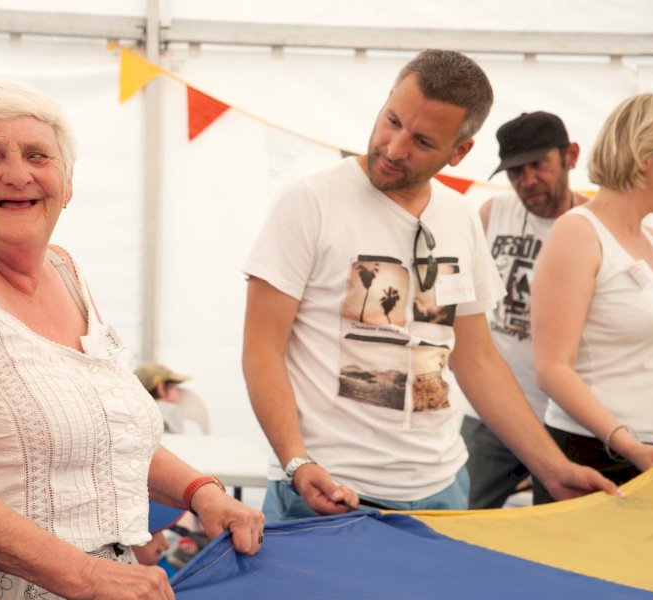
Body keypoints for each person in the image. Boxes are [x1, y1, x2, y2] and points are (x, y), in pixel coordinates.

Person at [0, 80, 264, 600]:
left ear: (68, 181)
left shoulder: (64, 268)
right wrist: (88, 575)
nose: (17, 174)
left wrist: (202, 492)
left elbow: (106, 431)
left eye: (37, 155)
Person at [242, 49, 618, 520]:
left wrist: (552, 467)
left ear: (460, 152)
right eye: (392, 120)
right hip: (326, 490)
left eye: (422, 141)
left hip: (442, 492)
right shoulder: (310, 201)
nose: (395, 147)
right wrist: (296, 461)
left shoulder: (458, 215)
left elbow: (476, 358)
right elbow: (261, 347)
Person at [530, 93, 653, 504]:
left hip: (650, 455)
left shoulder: (652, 237)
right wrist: (626, 443)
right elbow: (553, 370)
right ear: (648, 157)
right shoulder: (578, 232)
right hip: (603, 456)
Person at [460, 111, 590, 509]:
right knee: (463, 522)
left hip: (563, 419)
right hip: (491, 412)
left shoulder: (593, 227)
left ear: (570, 155)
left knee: (553, 537)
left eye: (538, 165)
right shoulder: (492, 214)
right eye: (515, 171)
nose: (528, 181)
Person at [136, 362, 190, 433]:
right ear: (161, 389)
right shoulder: (171, 409)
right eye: (174, 387)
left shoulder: (136, 410)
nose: (178, 392)